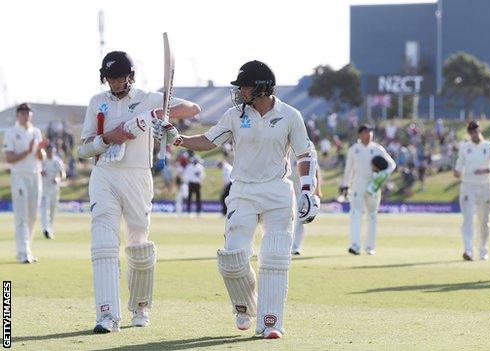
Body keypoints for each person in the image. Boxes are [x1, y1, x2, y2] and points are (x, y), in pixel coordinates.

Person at [171, 60, 319, 339]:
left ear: (263, 88)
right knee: (233, 258)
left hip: (277, 190)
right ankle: (245, 304)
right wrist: (178, 139)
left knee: (275, 256)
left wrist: (309, 191)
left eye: (245, 86)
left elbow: (304, 154)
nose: (240, 91)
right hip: (243, 191)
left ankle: (270, 322)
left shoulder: (290, 115)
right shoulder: (234, 115)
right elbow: (208, 141)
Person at [77, 51, 200, 333]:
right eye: (111, 78)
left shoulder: (149, 97)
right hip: (105, 174)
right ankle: (107, 316)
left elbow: (193, 110)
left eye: (120, 77)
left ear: (131, 76)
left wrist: (154, 115)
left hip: (137, 176)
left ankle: (141, 307)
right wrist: (108, 138)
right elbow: (83, 149)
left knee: (138, 243)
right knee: (103, 243)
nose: (116, 83)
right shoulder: (97, 103)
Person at [340, 124, 396, 255]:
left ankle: (370, 247)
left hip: (373, 186)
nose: (369, 134)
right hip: (357, 185)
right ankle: (355, 245)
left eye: (370, 132)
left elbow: (391, 165)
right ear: (360, 134)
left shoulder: (377, 149)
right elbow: (348, 169)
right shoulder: (354, 149)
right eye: (366, 132)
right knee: (355, 214)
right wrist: (344, 185)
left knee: (372, 216)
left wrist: (382, 176)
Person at [2, 103, 46, 263]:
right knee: (21, 215)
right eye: (22, 113)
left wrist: (40, 150)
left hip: (36, 175)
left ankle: (27, 249)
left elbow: (41, 157)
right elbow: (9, 158)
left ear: (31, 115)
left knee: (33, 215)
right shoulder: (11, 133)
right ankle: (22, 252)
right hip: (19, 176)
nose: (25, 115)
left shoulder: (36, 132)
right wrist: (27, 151)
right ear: (17, 115)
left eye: (27, 112)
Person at [453, 121, 490, 261]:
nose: (474, 134)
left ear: (480, 130)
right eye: (471, 132)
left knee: (484, 220)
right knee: (468, 219)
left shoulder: (489, 146)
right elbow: (459, 164)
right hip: (468, 186)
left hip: (485, 185)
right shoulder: (465, 147)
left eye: (476, 131)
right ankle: (468, 250)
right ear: (469, 133)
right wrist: (457, 171)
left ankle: (483, 250)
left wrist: (486, 170)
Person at [290, 151, 323, 255]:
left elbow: (315, 168)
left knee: (301, 215)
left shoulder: (309, 145)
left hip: (303, 186)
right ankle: (286, 245)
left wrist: (318, 188)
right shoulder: (284, 139)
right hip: (288, 183)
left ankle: (296, 247)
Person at [40, 144, 66, 239]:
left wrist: (57, 179)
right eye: (48, 151)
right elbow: (37, 172)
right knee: (44, 210)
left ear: (54, 151)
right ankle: (45, 229)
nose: (50, 153)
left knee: (52, 210)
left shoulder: (57, 161)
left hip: (54, 189)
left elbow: (63, 175)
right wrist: (41, 173)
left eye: (51, 151)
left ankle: (50, 229)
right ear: (46, 151)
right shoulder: (42, 161)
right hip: (43, 189)